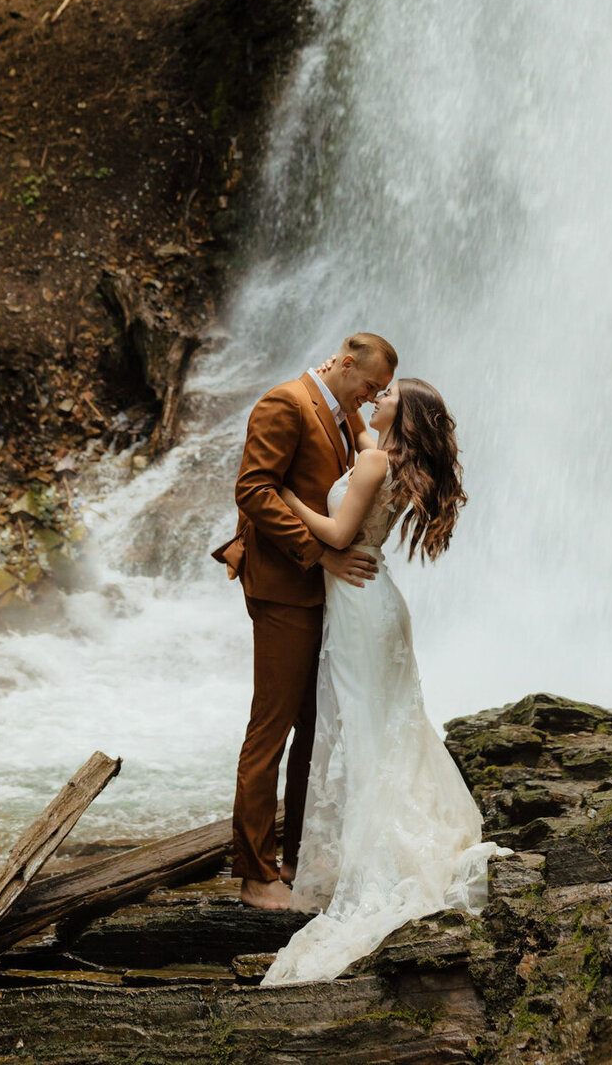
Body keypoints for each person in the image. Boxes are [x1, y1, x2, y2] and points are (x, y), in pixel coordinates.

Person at [261, 376, 499, 985]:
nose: (377, 394)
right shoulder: (384, 454)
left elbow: (339, 535)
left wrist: (286, 499)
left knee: (368, 732)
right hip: (377, 602)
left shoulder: (372, 461)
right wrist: (334, 393)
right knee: (390, 728)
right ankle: (386, 841)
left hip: (360, 603)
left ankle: (379, 858)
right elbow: (364, 433)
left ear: (403, 412)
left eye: (387, 391)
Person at [214, 334, 398, 912]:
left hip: (319, 595)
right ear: (345, 363)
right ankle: (253, 873)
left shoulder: (340, 413)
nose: (372, 399)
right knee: (270, 728)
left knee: (313, 728)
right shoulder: (284, 402)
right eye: (369, 386)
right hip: (282, 587)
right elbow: (253, 489)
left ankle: (292, 857)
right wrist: (322, 554)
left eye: (379, 393)